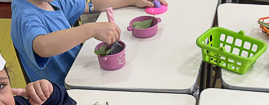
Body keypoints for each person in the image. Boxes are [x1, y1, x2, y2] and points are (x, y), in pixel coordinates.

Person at [10, 0, 168, 86]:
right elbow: (42, 46)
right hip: (63, 93)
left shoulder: (49, 2)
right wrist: (89, 30)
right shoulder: (25, 15)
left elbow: (91, 5)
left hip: (81, 73)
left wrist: (132, 1)